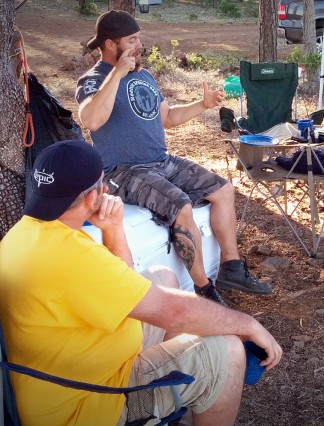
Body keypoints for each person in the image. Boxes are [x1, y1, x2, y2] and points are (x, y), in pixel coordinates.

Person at [0, 140, 283, 425]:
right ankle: (189, 388)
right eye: (103, 183)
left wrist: (113, 228)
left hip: (66, 374)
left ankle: (181, 396)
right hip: (90, 405)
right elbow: (174, 311)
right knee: (228, 351)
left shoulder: (27, 232)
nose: (107, 190)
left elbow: (125, 281)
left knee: (163, 276)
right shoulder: (74, 257)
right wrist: (248, 324)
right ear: (92, 197)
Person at [75, 10, 269, 306]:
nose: (139, 45)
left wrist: (202, 104)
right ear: (111, 44)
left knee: (223, 191)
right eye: (132, 40)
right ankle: (204, 290)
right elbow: (91, 119)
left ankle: (231, 268)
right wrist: (117, 74)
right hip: (122, 171)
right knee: (181, 206)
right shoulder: (94, 79)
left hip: (160, 161)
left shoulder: (144, 76)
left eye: (139, 38)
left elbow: (167, 117)